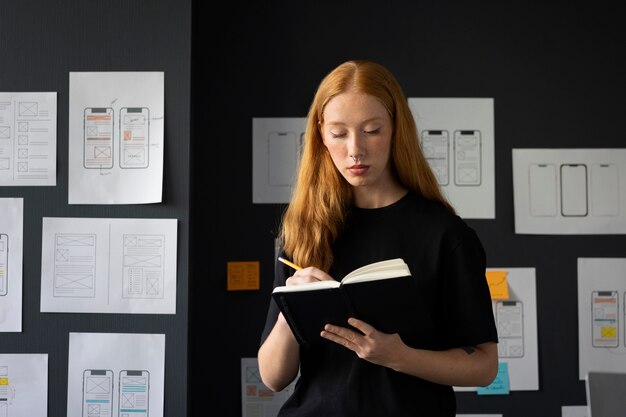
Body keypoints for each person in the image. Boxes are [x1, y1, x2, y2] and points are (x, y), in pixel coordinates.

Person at [258, 59, 498, 416]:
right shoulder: (307, 231)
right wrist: (291, 309)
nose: (355, 150)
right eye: (339, 134)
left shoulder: (445, 235)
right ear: (322, 136)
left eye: (372, 130)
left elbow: (484, 365)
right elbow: (273, 377)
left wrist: (400, 357)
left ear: (396, 130)